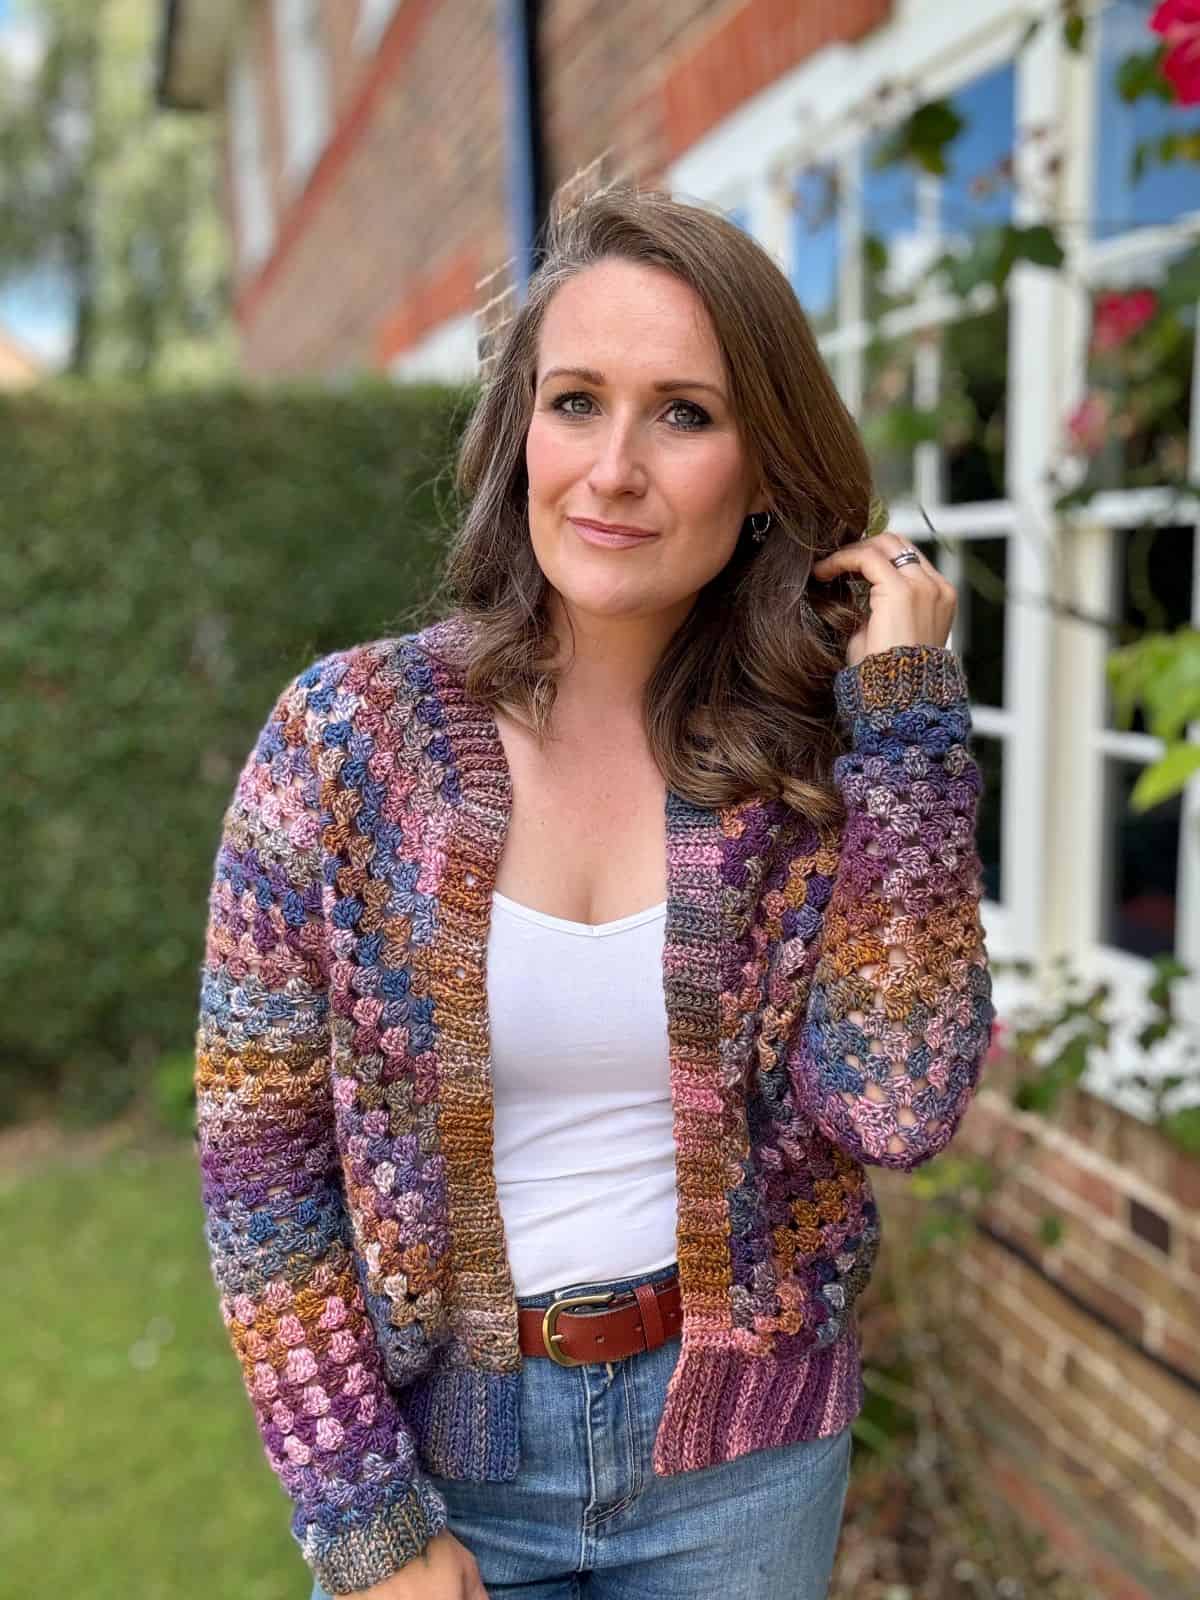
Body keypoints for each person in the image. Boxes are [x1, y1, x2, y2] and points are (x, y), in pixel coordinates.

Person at [193, 184, 994, 1600]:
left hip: (740, 1472)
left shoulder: (814, 773)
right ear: (519, 437)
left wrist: (912, 730)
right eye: (577, 402)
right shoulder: (343, 742)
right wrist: (367, 1523)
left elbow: (897, 1106)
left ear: (764, 476)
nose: (614, 467)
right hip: (445, 1467)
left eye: (684, 414)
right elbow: (262, 1174)